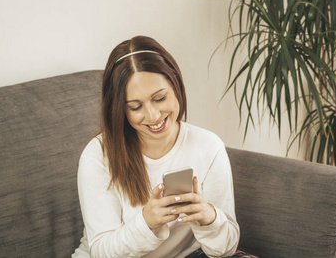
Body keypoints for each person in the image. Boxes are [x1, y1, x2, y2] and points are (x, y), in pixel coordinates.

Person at [72, 36, 248, 258]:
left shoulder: (208, 147)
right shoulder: (98, 155)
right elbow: (100, 251)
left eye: (159, 98)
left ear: (176, 86)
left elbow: (225, 249)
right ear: (120, 111)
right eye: (135, 107)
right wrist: (146, 223)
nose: (153, 116)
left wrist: (209, 218)